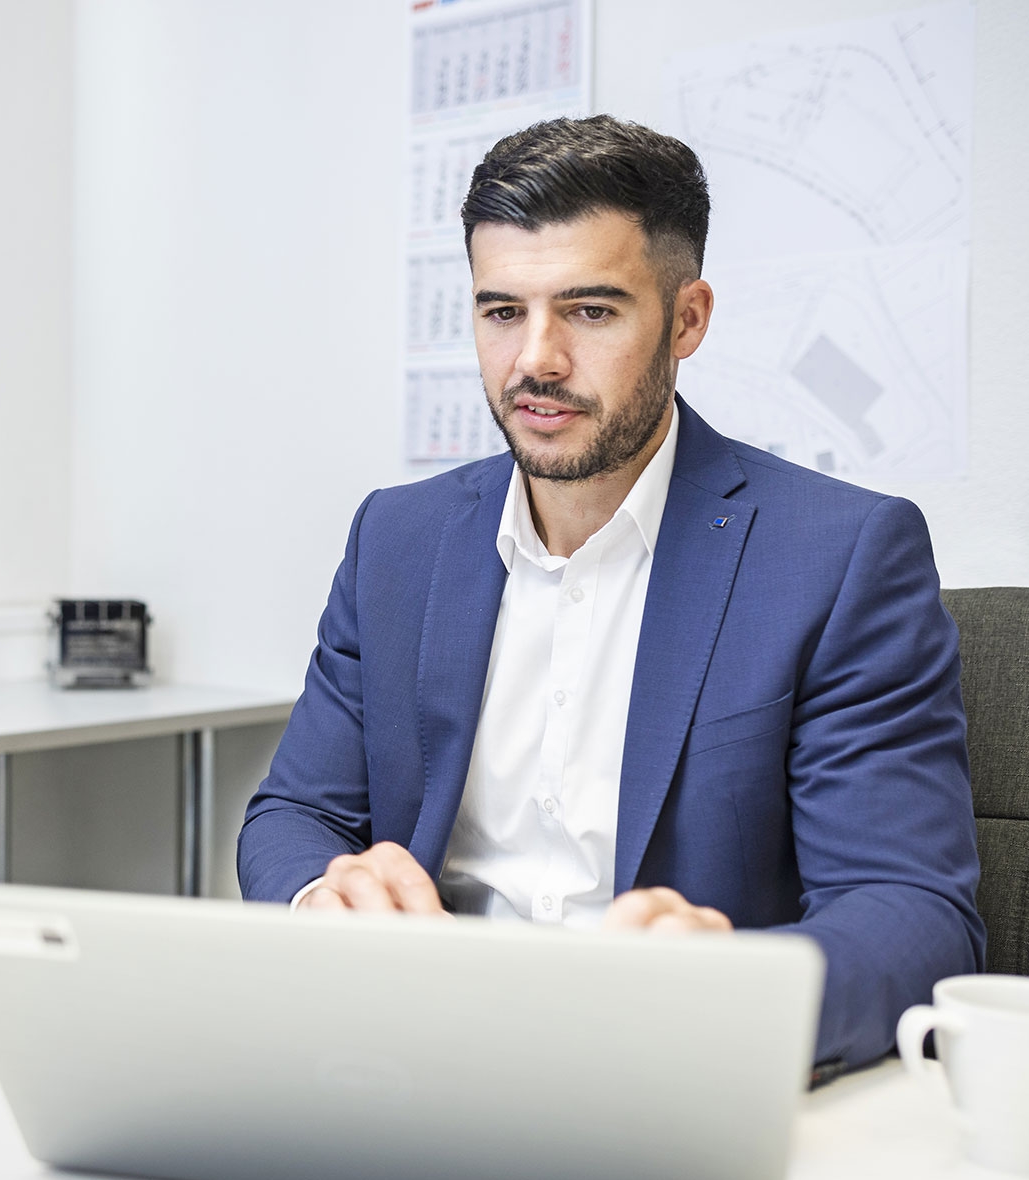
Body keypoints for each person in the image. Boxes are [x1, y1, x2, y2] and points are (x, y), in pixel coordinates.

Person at [238, 116, 983, 1073]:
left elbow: (911, 911)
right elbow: (296, 812)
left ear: (687, 319)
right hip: (411, 1054)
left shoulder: (838, 556)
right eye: (501, 311)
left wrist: (734, 996)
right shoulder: (398, 539)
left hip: (659, 1073)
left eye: (590, 312)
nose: (534, 360)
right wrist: (322, 895)